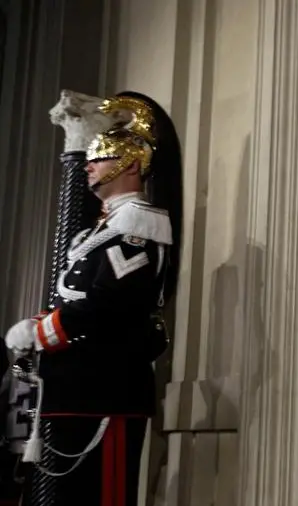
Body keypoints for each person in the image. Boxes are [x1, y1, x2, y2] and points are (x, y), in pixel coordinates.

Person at [2, 91, 183, 506]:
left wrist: (40, 332)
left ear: (131, 164)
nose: (88, 165)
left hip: (105, 389)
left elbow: (108, 305)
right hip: (75, 389)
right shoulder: (103, 231)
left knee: (99, 495)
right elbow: (76, 298)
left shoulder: (137, 229)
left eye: (99, 157)